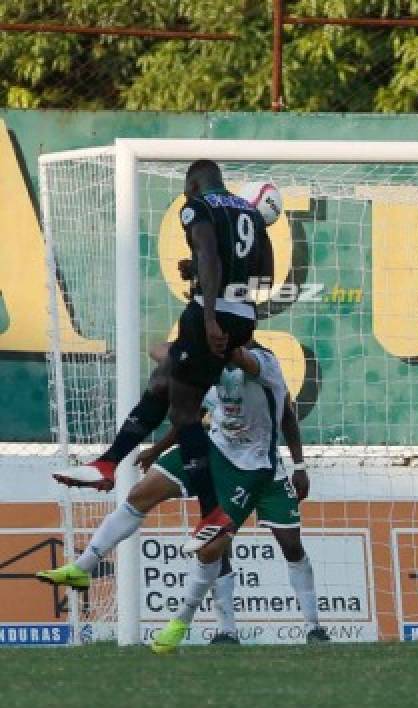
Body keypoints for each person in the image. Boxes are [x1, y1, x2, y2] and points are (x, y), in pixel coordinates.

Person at [38, 344, 327, 647]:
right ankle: (83, 567)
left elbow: (286, 416)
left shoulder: (264, 363)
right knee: (141, 493)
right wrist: (157, 449)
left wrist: (299, 466)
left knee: (233, 547)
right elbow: (164, 366)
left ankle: (306, 626)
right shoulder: (205, 366)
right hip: (214, 451)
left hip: (255, 468)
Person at [54, 161, 273, 552]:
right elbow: (265, 274)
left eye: (186, 190)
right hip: (243, 315)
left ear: (193, 184)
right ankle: (107, 463)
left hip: (210, 315)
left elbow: (210, 254)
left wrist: (209, 315)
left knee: (184, 412)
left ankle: (211, 514)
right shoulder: (251, 212)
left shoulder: (196, 207)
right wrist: (208, 274)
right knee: (162, 382)